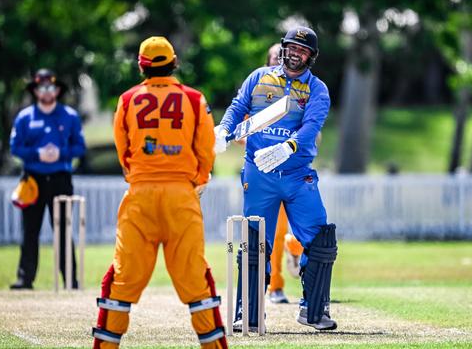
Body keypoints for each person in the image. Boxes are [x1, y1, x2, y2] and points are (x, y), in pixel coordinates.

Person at [91, 36, 226, 349]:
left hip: (140, 195)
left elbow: (122, 148)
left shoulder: (126, 99)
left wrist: (138, 174)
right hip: (182, 195)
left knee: (121, 282)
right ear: (174, 61)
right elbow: (206, 148)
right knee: (196, 281)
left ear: (142, 66)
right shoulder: (194, 99)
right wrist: (198, 178)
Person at [215, 26, 338, 331]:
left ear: (311, 56)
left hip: (298, 174)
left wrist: (289, 147)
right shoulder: (259, 78)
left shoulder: (317, 90)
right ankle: (249, 312)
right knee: (255, 241)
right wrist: (223, 130)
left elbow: (311, 126)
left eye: (303, 50)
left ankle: (313, 311)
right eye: (291, 47)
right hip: (259, 174)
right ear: (283, 49)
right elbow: (237, 107)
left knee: (321, 240)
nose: (295, 53)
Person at [9, 69, 86, 290]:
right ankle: (25, 279)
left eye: (50, 87)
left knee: (63, 230)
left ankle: (70, 280)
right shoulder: (25, 117)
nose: (46, 92)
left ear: (58, 90)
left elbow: (80, 147)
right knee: (30, 230)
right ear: (35, 91)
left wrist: (59, 153)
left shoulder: (69, 116)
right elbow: (15, 147)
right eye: (41, 87)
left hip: (60, 178)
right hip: (32, 180)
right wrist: (38, 154)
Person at [261, 43, 304, 305]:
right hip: (265, 174)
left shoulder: (301, 91)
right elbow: (241, 133)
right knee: (273, 233)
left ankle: (295, 248)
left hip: (294, 171)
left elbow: (314, 133)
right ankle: (274, 286)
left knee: (303, 228)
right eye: (277, 57)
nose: (282, 61)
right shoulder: (258, 91)